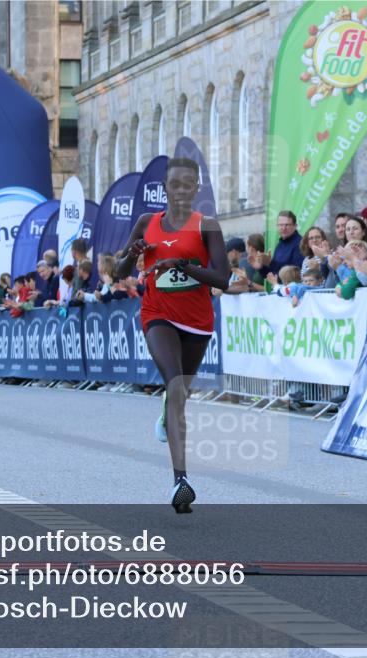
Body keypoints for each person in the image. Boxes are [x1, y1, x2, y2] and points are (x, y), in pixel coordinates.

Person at [115, 157, 229, 513]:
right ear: (165, 188)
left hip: (197, 320)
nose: (180, 190)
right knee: (176, 385)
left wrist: (182, 265)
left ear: (196, 189)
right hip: (157, 314)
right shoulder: (147, 223)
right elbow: (120, 270)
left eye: (187, 185)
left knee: (181, 392)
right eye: (174, 184)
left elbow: (222, 277)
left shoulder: (206, 226)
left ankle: (168, 411)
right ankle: (181, 480)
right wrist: (132, 254)